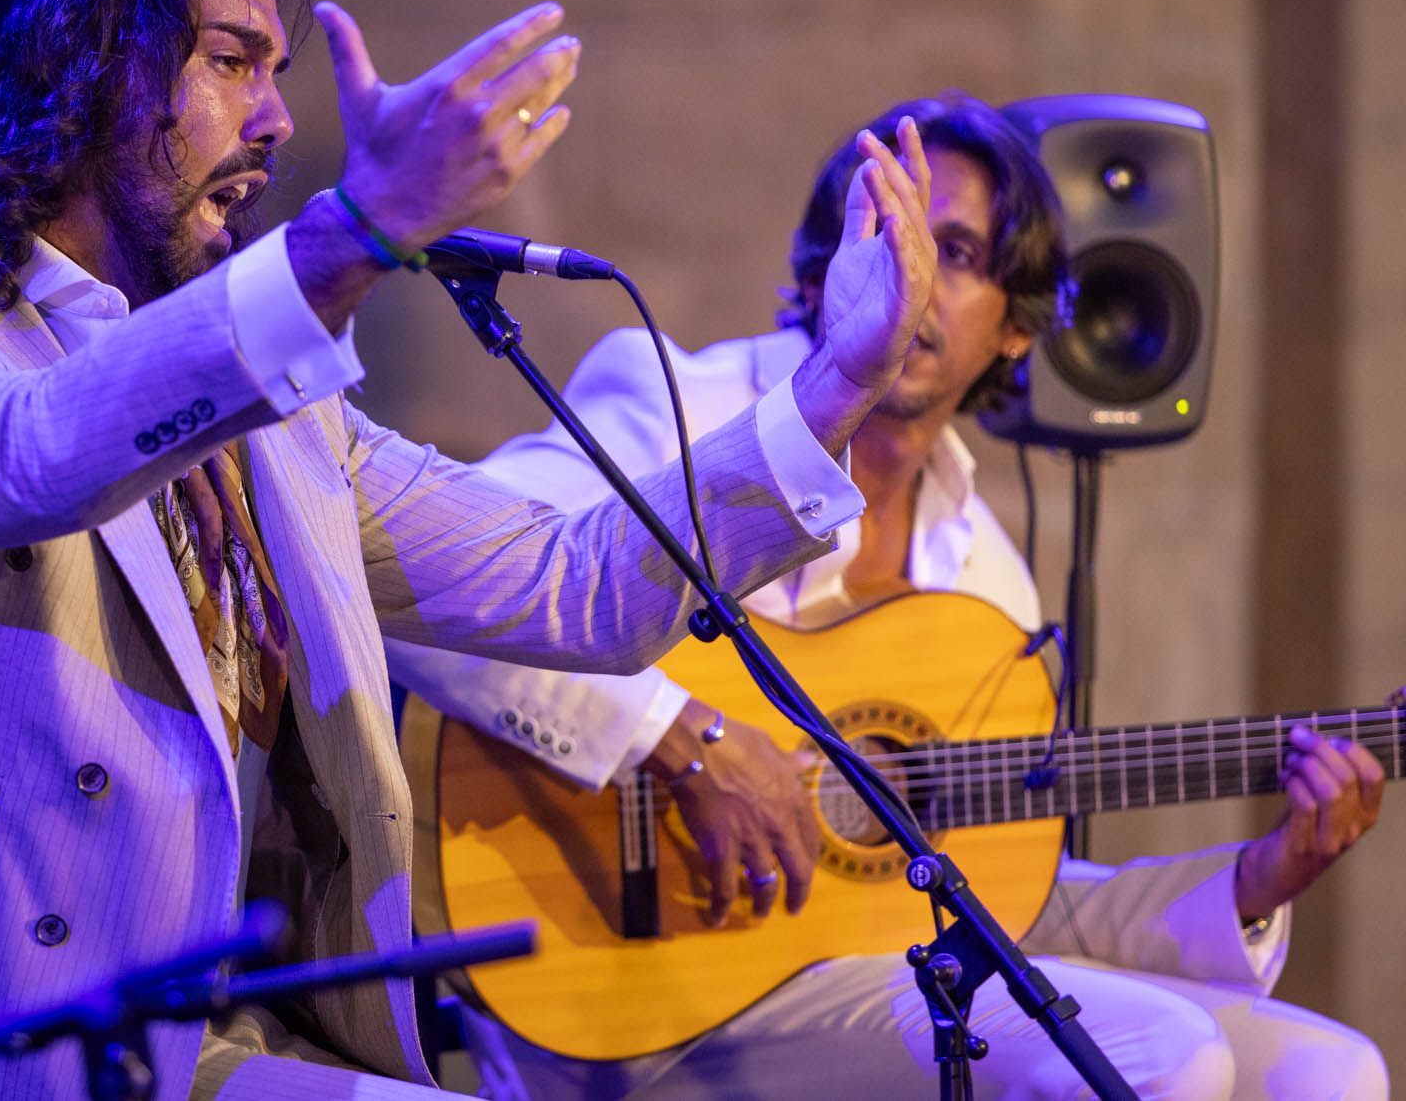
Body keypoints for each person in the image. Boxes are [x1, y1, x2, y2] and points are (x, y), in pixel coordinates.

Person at [0, 0, 946, 1101]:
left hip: (189, 1040)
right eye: (230, 62)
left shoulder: (278, 416)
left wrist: (836, 382)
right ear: (72, 68)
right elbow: (32, 452)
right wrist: (354, 233)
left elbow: (578, 585)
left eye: (279, 75)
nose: (274, 122)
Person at [390, 94, 1389, 1099]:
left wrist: (1254, 885)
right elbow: (423, 596)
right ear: (830, 264)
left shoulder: (984, 575)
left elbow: (995, 891)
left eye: (952, 253)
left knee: (1330, 1070)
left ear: (1016, 325)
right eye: (883, 235)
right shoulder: (677, 406)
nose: (909, 278)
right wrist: (676, 735)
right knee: (1164, 1054)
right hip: (616, 983)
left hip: (833, 983)